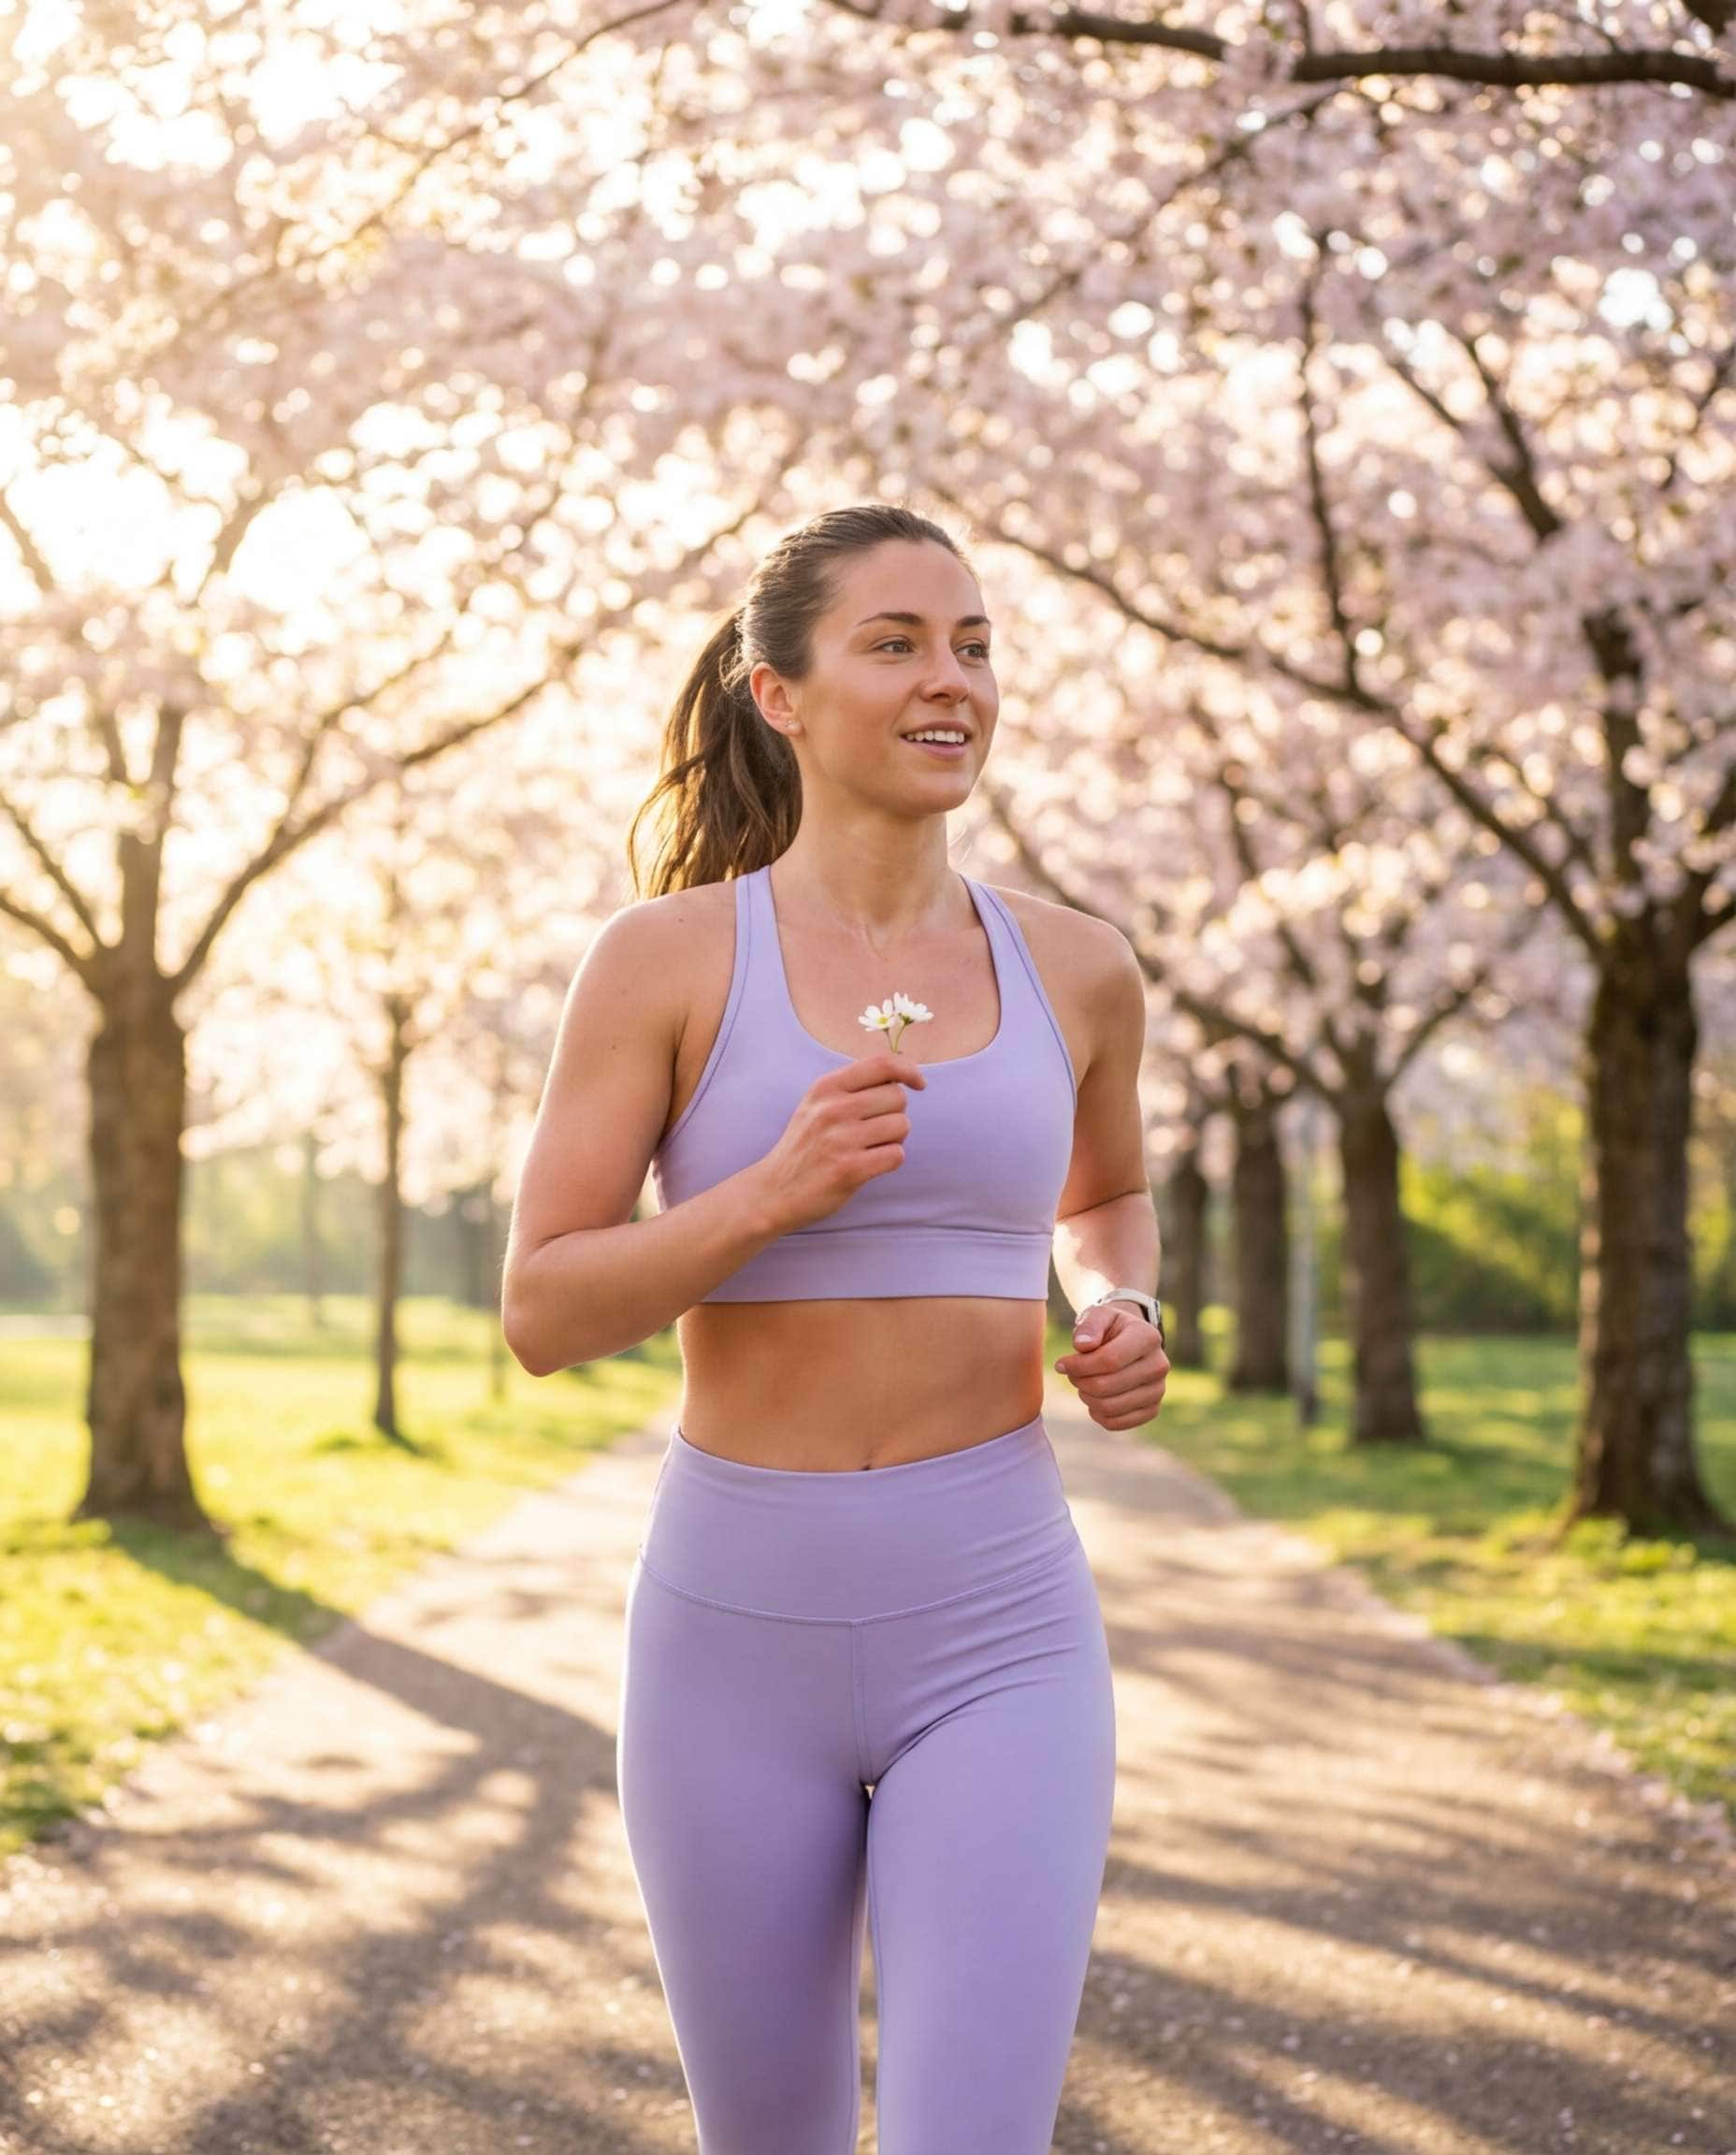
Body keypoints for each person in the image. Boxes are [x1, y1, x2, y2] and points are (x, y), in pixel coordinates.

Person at [501, 500, 1168, 2154]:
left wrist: (1119, 1301)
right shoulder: (662, 962)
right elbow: (541, 1307)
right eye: (896, 644)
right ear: (777, 691)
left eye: (974, 646)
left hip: (999, 1620)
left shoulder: (1079, 968)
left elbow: (1109, 1196)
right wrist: (764, 1198)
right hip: (733, 1630)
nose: (952, 681)